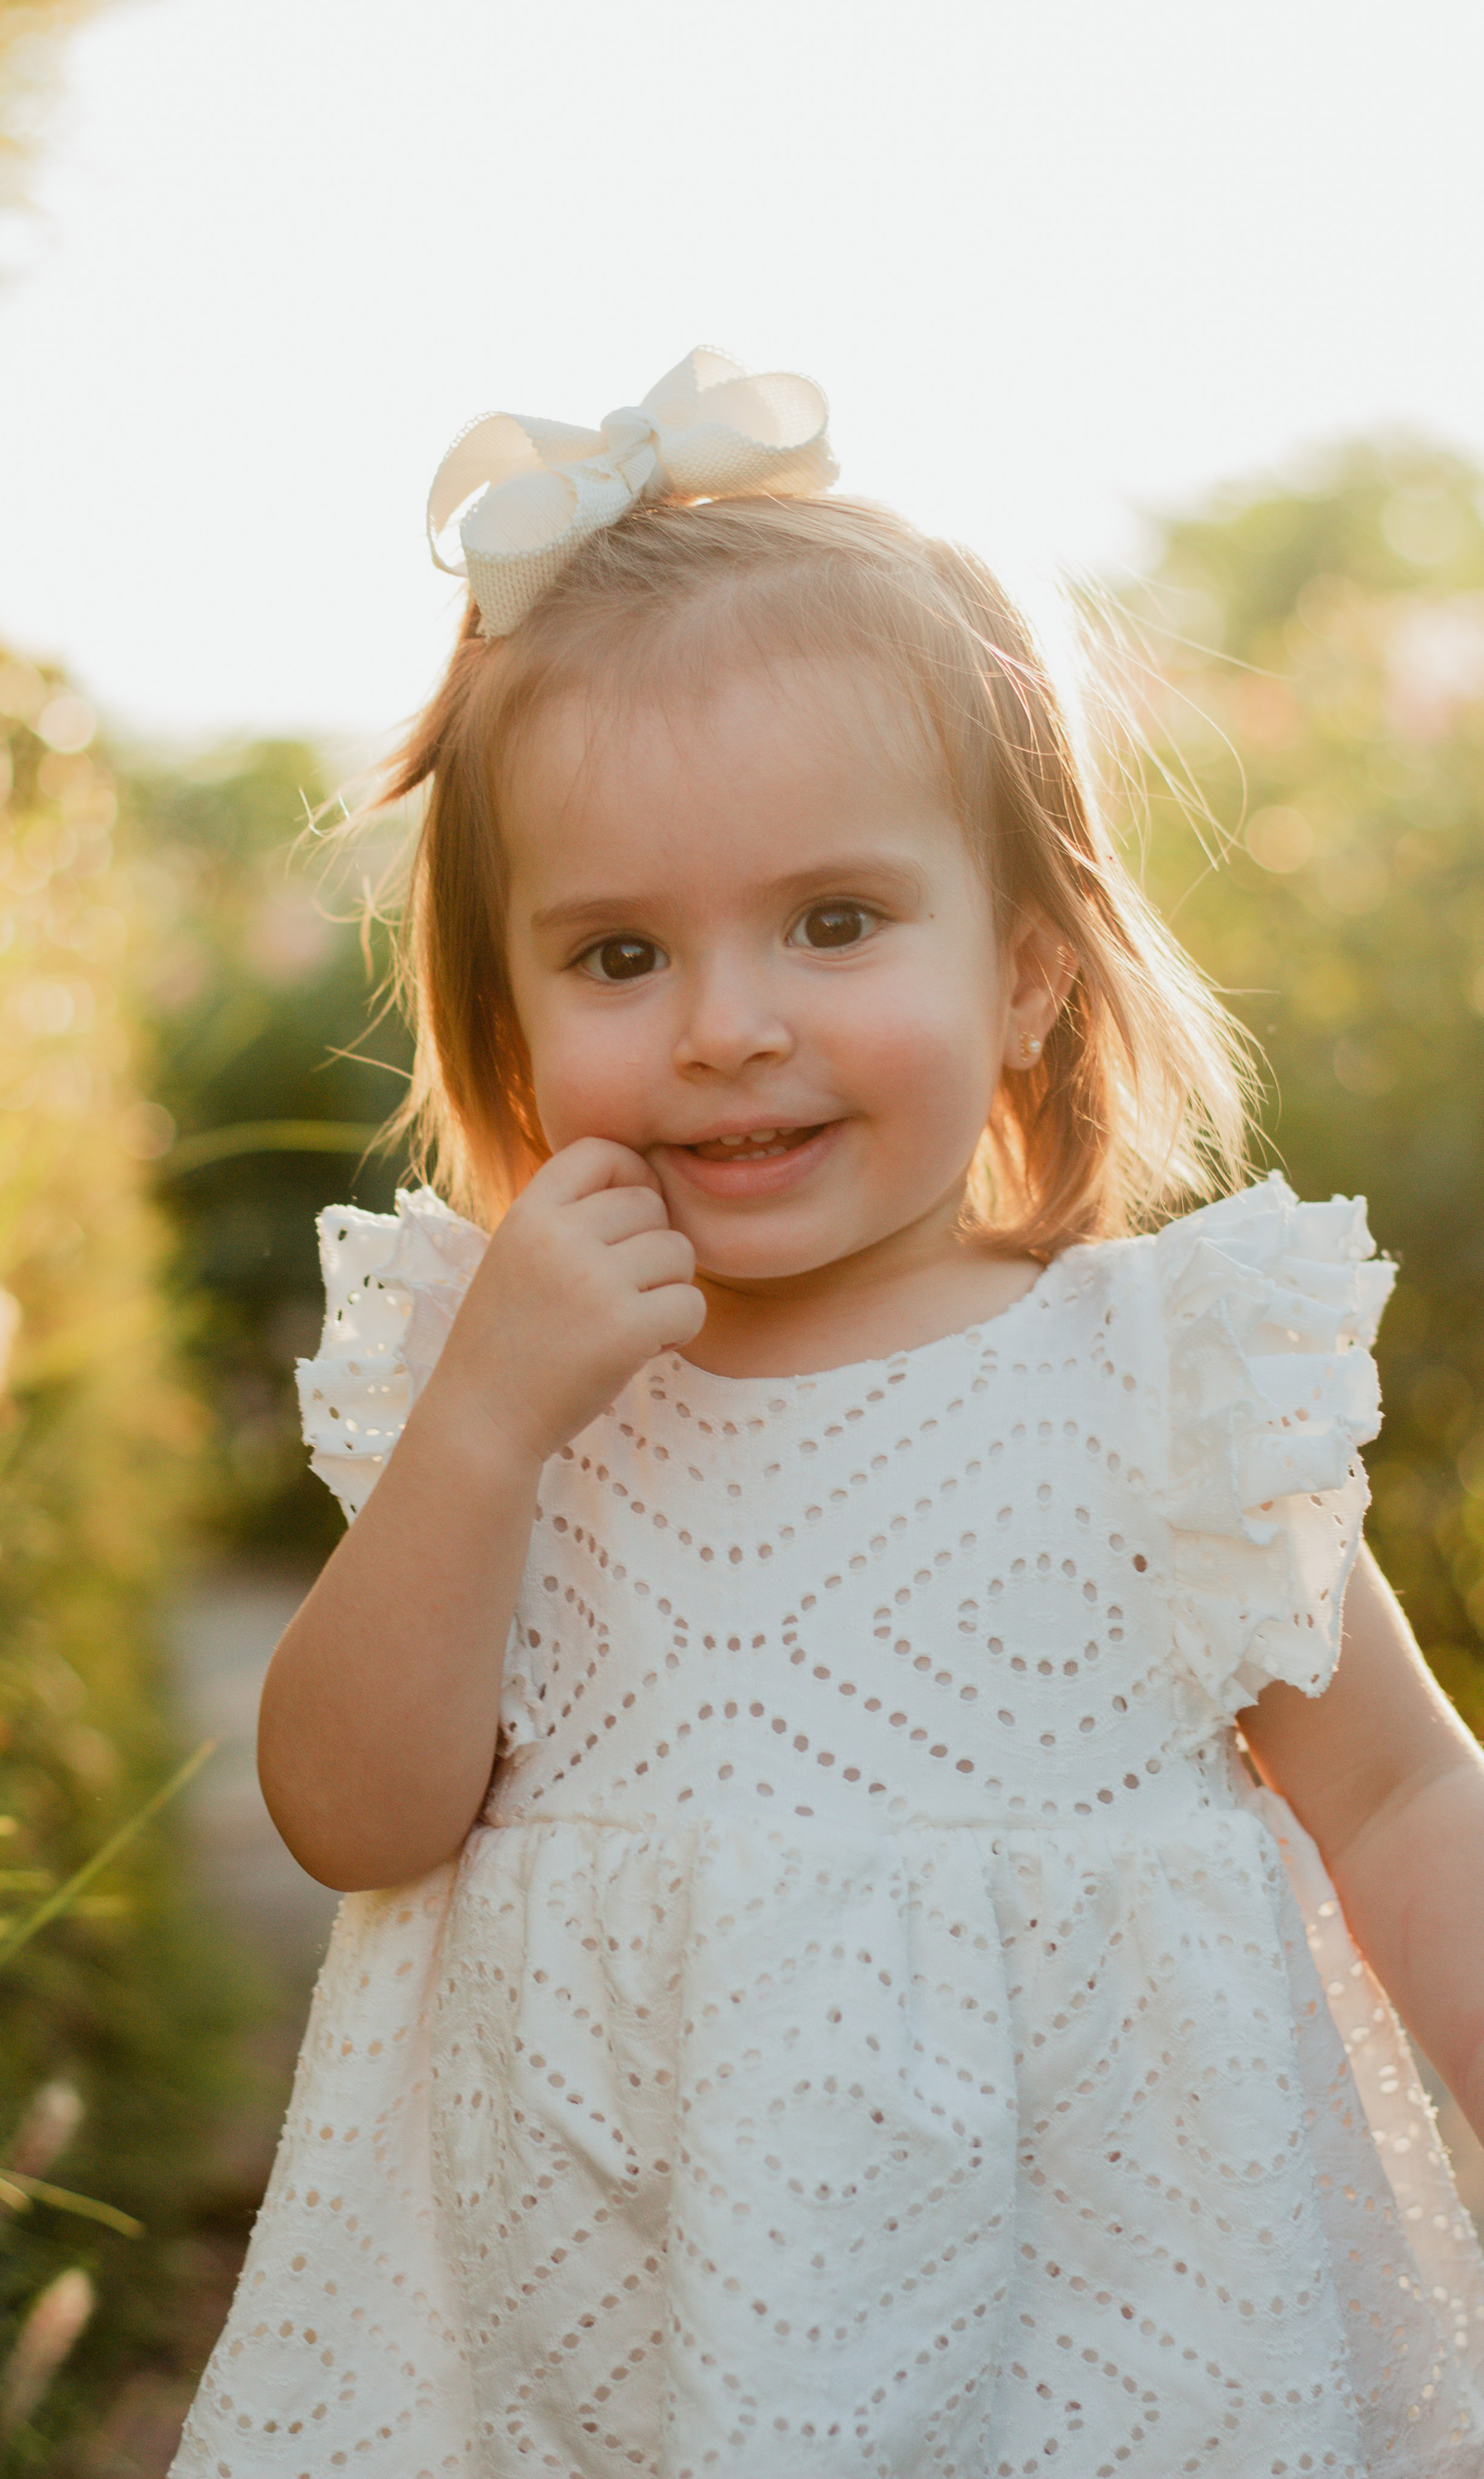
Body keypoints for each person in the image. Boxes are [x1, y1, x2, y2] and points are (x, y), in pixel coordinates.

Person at [172, 351, 1484, 2476]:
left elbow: (1407, 1797)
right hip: (610, 2342)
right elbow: (353, 1816)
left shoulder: (1159, 1385)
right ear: (503, 1002)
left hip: (1105, 2343)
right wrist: (486, 1430)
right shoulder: (506, 1401)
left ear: (1032, 969)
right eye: (617, 956)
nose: (730, 1028)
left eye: (838, 922)